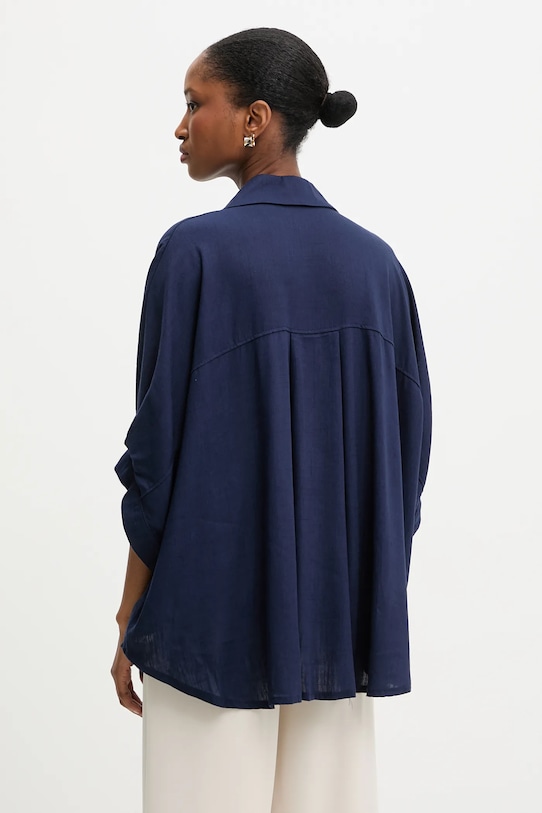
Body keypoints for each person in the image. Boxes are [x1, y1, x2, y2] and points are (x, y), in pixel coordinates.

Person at [111, 27, 431, 813]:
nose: (181, 125)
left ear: (254, 118)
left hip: (205, 625)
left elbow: (155, 456)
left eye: (196, 103)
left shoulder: (194, 254)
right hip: (337, 629)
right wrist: (356, 588)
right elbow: (409, 458)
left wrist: (129, 613)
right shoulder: (378, 265)